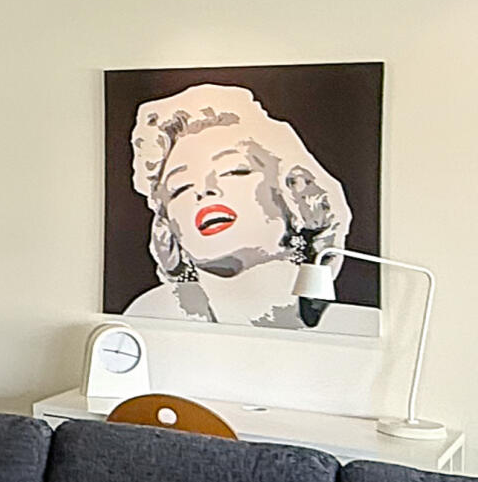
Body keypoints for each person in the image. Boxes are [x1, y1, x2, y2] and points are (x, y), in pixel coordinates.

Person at [123, 83, 375, 333]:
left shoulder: (356, 325)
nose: (204, 190)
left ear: (295, 194)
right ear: (167, 228)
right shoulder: (149, 318)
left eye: (235, 170)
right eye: (180, 187)